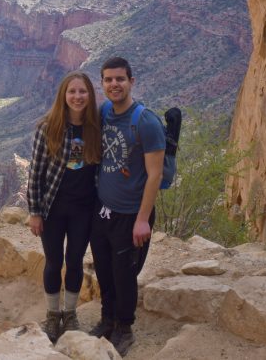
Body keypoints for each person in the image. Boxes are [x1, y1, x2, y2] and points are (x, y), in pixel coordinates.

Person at [88, 56, 165, 356]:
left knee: (124, 274)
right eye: (108, 79)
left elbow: (155, 174)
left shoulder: (146, 122)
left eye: (120, 79)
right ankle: (107, 320)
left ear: (132, 81)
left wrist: (142, 219)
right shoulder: (105, 111)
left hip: (131, 214)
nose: (114, 84)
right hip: (103, 210)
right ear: (103, 83)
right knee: (105, 271)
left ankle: (125, 328)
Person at [26, 71, 101, 342]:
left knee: (75, 262)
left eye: (83, 92)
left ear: (90, 95)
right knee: (54, 261)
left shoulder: (96, 128)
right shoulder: (48, 128)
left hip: (83, 209)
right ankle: (52, 315)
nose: (78, 97)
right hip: (53, 208)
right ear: (63, 95)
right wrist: (34, 212)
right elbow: (35, 173)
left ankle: (70, 314)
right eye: (72, 92)